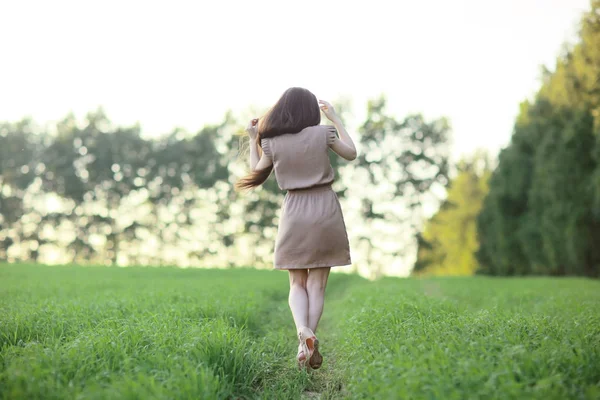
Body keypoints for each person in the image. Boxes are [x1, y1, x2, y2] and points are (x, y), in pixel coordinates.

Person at [236, 87, 357, 370]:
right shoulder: (323, 133)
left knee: (296, 283)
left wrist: (254, 139)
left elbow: (257, 172)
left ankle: (303, 332)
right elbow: (350, 153)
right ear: (310, 111)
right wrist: (336, 120)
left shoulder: (273, 143)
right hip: (325, 207)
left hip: (295, 211)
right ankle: (308, 336)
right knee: (317, 284)